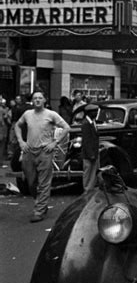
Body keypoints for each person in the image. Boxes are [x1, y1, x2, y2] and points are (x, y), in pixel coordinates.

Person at [15, 90, 70, 222]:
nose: (38, 100)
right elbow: (17, 125)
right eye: (35, 98)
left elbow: (66, 127)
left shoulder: (51, 114)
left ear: (45, 100)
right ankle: (40, 202)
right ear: (32, 101)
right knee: (31, 182)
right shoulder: (27, 114)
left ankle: (39, 211)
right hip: (29, 151)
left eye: (40, 98)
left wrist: (54, 143)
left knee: (44, 183)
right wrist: (21, 142)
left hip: (45, 152)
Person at [81, 103, 100, 193]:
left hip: (94, 153)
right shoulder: (86, 124)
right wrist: (91, 154)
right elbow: (86, 141)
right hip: (89, 155)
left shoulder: (92, 122)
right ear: (89, 113)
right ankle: (87, 191)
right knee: (88, 174)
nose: (96, 113)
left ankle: (90, 190)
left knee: (93, 174)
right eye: (94, 112)